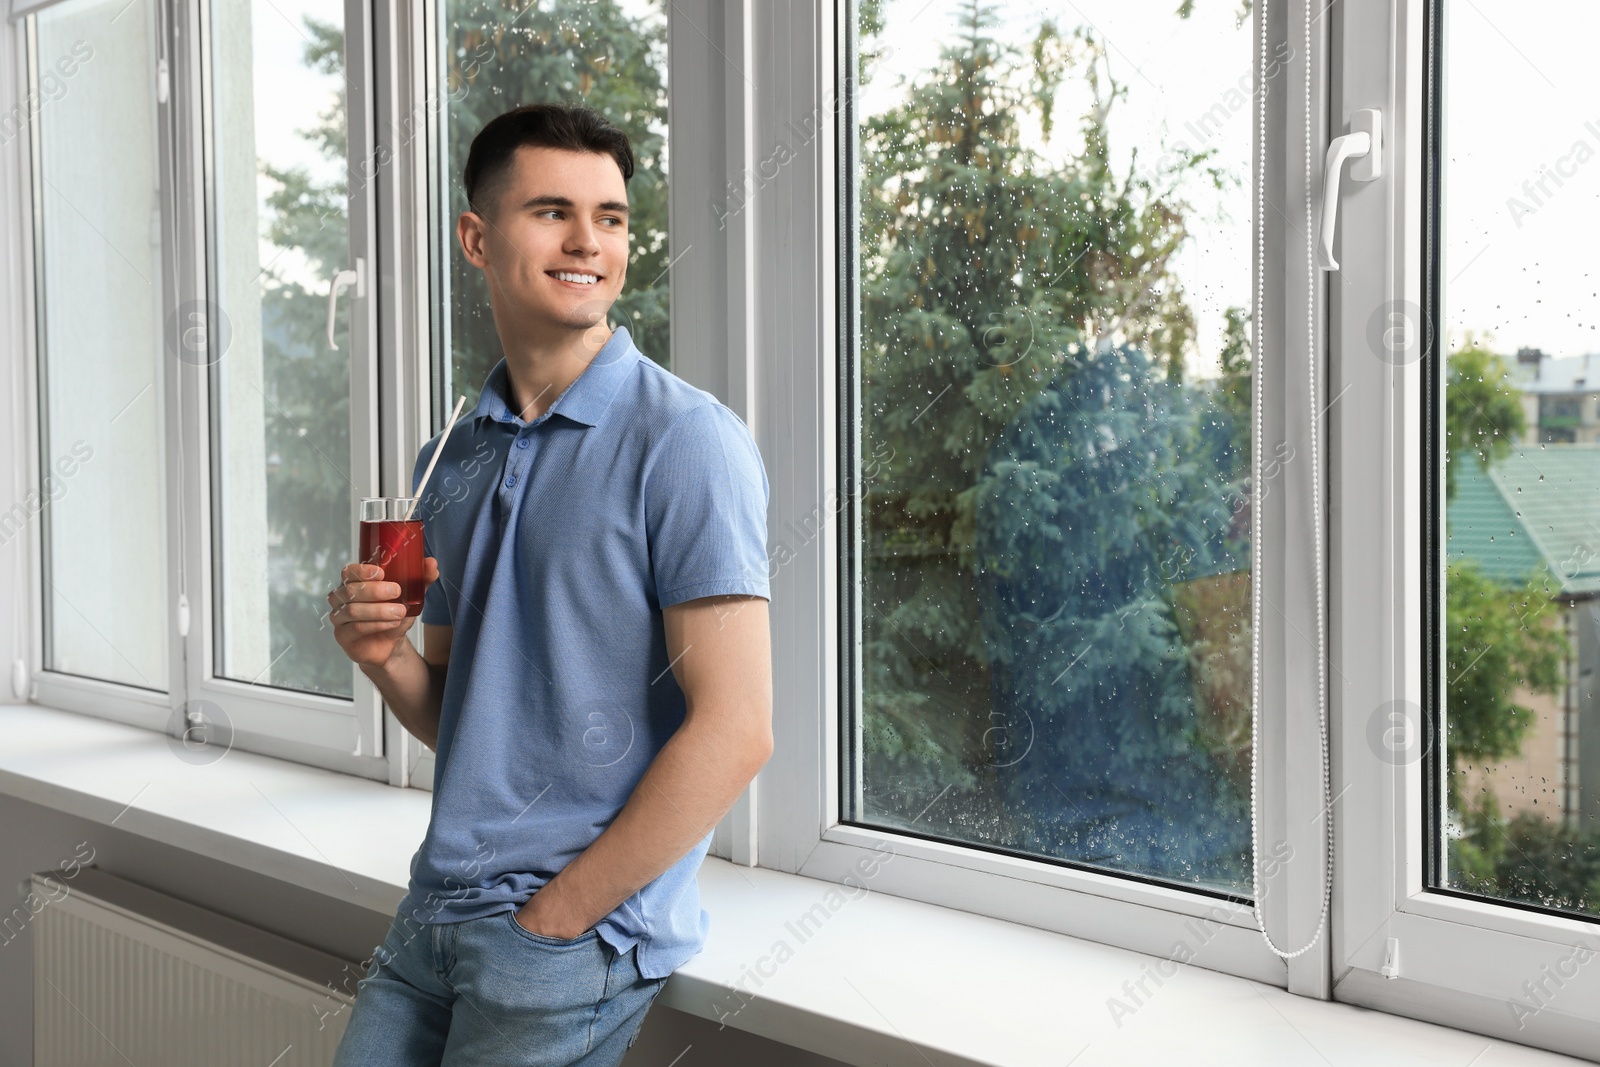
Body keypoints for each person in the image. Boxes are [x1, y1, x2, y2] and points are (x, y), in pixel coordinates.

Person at [325, 102, 773, 1066]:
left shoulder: (686, 441)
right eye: (553, 212)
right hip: (432, 915)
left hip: (560, 942)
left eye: (610, 217)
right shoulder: (446, 458)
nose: (588, 242)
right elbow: (470, 720)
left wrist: (560, 916)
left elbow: (738, 729)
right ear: (476, 238)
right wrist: (380, 657)